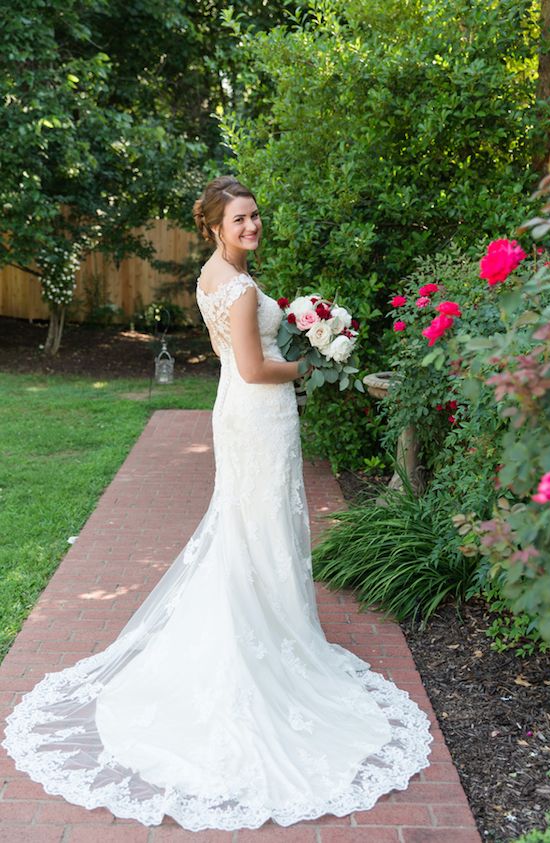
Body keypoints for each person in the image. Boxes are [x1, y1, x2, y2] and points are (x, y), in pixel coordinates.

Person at [1, 175, 433, 831]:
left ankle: (268, 621)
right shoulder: (232, 286)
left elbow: (242, 354)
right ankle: (251, 643)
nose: (252, 226)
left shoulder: (216, 276)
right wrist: (312, 360)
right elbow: (258, 368)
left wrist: (297, 331)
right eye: (240, 219)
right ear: (214, 226)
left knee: (253, 526)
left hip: (244, 411)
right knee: (257, 528)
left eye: (256, 216)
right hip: (257, 411)